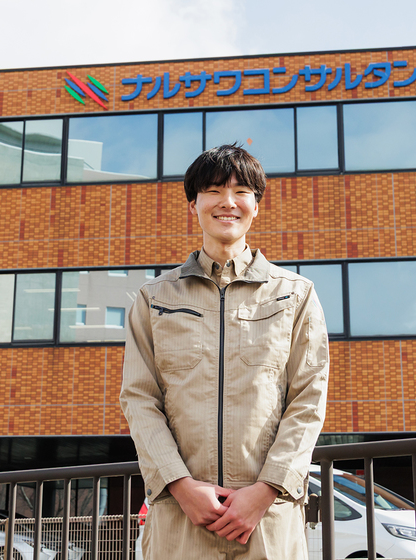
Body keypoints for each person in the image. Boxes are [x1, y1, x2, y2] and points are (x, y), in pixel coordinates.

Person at [120, 144, 329, 559]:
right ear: (193, 204)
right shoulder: (154, 298)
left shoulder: (295, 295)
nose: (227, 202)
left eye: (241, 192)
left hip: (267, 518)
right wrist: (180, 485)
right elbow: (139, 399)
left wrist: (266, 489)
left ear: (256, 205)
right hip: (181, 517)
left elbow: (309, 399)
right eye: (214, 191)